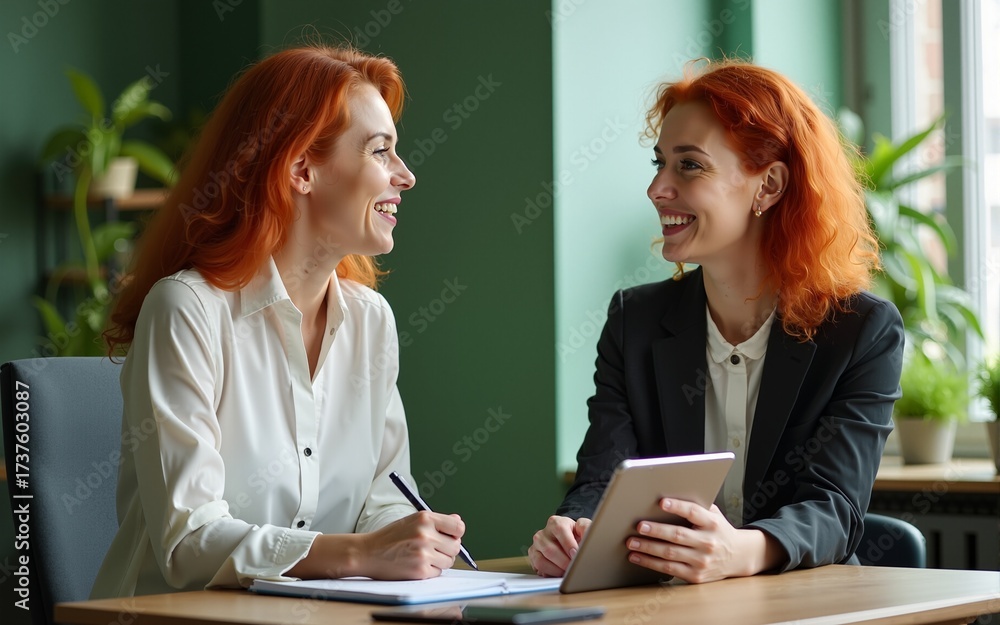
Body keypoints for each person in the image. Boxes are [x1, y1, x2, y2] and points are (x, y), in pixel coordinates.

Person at [92, 45, 467, 598]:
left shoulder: (371, 321)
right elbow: (188, 542)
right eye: (381, 152)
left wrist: (412, 541)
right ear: (301, 169)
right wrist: (362, 553)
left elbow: (384, 497)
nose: (405, 176)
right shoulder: (187, 310)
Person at [528, 59, 904, 584]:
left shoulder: (861, 331)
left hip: (806, 605)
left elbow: (835, 506)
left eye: (690, 165)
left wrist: (744, 551)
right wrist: (573, 529)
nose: (657, 188)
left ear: (768, 185)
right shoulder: (633, 321)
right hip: (667, 608)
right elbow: (601, 479)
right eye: (658, 163)